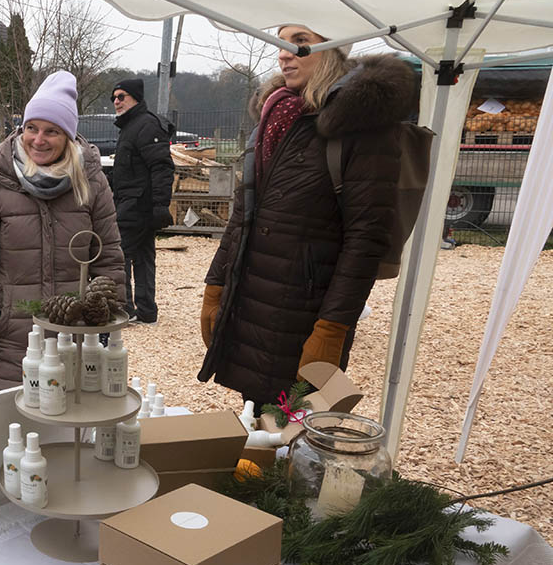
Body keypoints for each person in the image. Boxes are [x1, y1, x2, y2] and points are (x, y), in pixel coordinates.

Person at [198, 24, 416, 406]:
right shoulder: (274, 115)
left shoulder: (364, 127)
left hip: (304, 308)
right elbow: (242, 215)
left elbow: (366, 238)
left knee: (299, 420)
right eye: (281, 43)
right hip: (251, 297)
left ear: (333, 49)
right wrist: (216, 285)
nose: (284, 53)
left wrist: (333, 327)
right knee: (258, 418)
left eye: (299, 43)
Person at [0, 70, 125, 389]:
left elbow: (109, 258)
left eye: (52, 131)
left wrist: (107, 320)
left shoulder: (90, 184)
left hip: (74, 336)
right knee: (13, 432)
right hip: (10, 337)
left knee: (68, 427)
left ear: (69, 138)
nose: (38, 139)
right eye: (31, 128)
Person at [111, 78, 175, 324]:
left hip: (137, 205)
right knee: (143, 255)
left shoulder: (145, 125)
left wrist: (161, 205)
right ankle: (146, 310)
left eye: (121, 96)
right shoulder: (132, 126)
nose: (116, 102)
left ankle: (125, 310)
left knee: (121, 254)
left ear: (135, 97)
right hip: (135, 203)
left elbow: (161, 167)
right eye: (114, 98)